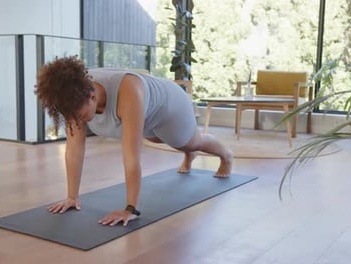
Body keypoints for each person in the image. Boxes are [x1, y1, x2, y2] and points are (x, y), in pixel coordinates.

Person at [35, 56, 233, 227]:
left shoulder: (127, 92)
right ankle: (188, 153)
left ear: (92, 96)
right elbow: (74, 151)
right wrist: (72, 197)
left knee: (190, 141)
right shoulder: (72, 97)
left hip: (170, 105)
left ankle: (225, 156)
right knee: (156, 137)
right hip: (147, 112)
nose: (78, 121)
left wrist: (131, 209)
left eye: (81, 115)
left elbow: (131, 158)